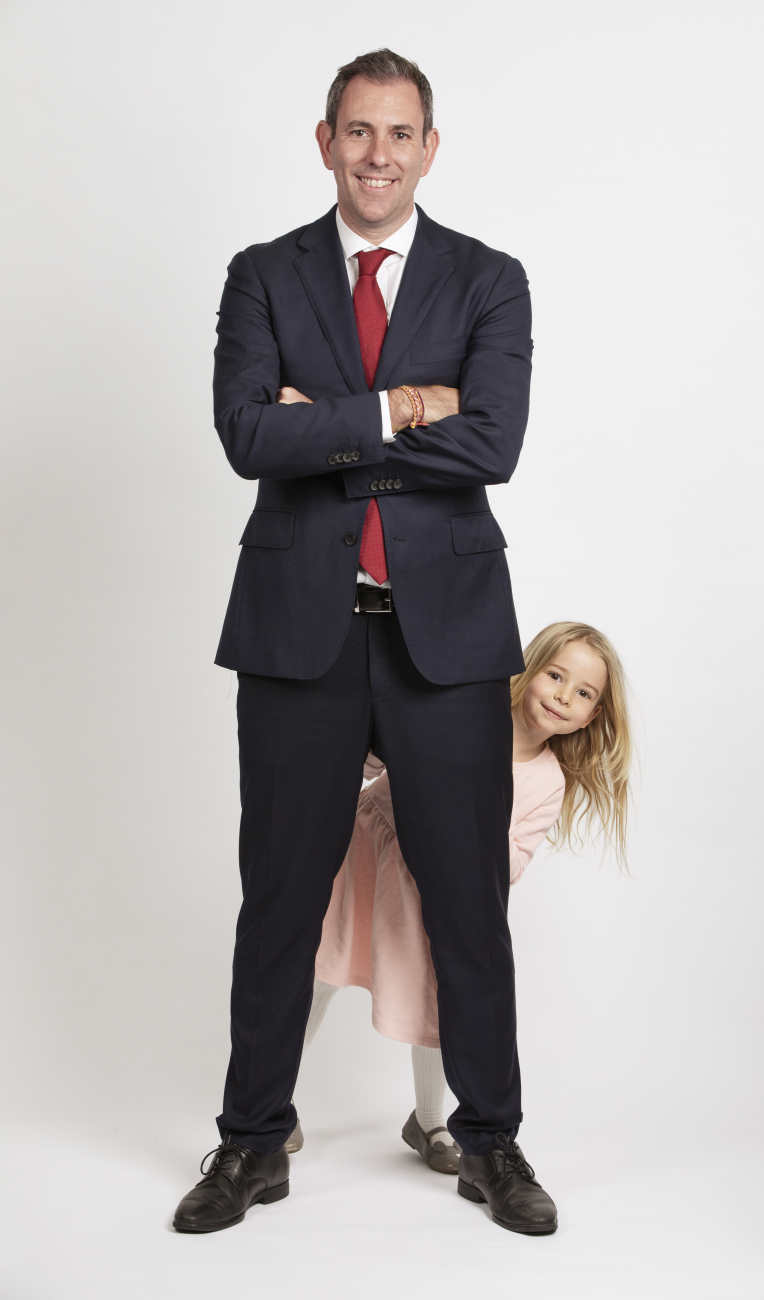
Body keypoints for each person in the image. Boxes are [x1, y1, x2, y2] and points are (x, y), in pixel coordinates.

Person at [174, 48, 550, 1235]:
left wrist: (326, 427)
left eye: (398, 134)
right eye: (356, 131)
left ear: (428, 148)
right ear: (324, 142)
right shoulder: (263, 275)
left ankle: (488, 1140)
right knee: (279, 896)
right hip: (300, 630)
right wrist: (402, 406)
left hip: (446, 636)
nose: (376, 155)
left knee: (465, 900)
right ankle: (250, 1142)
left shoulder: (488, 279)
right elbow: (248, 436)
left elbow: (492, 444)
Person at [288, 623, 632, 1190]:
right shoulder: (468, 717)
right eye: (555, 675)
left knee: (437, 1001)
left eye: (583, 693)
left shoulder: (547, 781)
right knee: (318, 973)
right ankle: (276, 1103)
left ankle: (429, 1122)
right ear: (528, 670)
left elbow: (509, 865)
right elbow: (384, 751)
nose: (563, 696)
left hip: (436, 894)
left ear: (592, 716)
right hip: (371, 854)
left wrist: (465, 834)